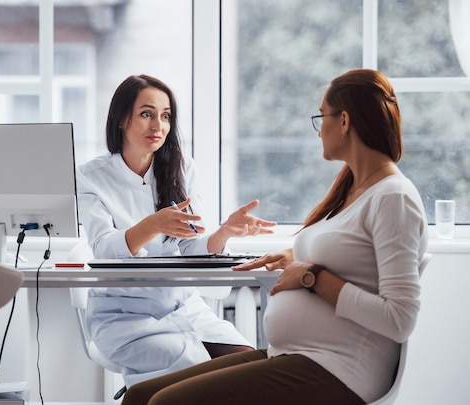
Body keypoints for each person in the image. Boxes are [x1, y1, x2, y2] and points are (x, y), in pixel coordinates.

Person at [120, 69, 428, 405]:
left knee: (167, 404)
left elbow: (399, 320)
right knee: (139, 396)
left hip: (340, 369)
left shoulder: (393, 197)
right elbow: (355, 258)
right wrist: (296, 259)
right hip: (297, 354)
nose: (318, 129)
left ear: (344, 121)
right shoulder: (355, 190)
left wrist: (312, 277)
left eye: (321, 116)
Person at [76, 74, 276, 388]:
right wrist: (152, 224)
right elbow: (103, 250)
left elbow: (190, 247)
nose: (158, 126)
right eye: (146, 114)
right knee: (196, 374)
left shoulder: (181, 169)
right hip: (124, 317)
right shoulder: (90, 177)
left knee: (246, 360)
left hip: (183, 308)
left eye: (165, 116)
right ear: (121, 119)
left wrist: (224, 232)